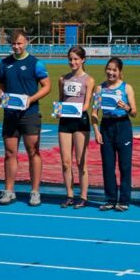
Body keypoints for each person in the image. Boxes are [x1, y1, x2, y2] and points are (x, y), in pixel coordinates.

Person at [0, 29, 51, 207]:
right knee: (9, 153)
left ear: (26, 42)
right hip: (10, 115)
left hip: (30, 114)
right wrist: (1, 98)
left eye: (19, 43)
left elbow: (46, 86)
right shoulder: (4, 63)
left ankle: (35, 192)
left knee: (33, 152)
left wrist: (31, 99)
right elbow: (2, 86)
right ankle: (9, 190)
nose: (16, 46)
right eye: (13, 43)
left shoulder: (36, 63)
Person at [95, 57, 136, 211]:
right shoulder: (100, 89)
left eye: (114, 70)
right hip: (106, 127)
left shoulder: (127, 88)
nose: (111, 72)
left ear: (120, 72)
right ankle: (110, 198)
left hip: (123, 125)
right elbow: (94, 112)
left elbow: (135, 112)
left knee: (124, 165)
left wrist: (126, 107)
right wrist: (96, 131)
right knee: (108, 165)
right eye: (109, 69)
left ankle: (124, 200)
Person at [57, 46, 94, 209]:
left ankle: (83, 196)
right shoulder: (62, 79)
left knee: (80, 161)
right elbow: (61, 100)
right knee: (66, 162)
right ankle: (69, 194)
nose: (73, 62)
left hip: (80, 122)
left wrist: (74, 110)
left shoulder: (88, 80)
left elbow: (86, 105)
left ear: (83, 60)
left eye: (76, 59)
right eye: (70, 59)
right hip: (65, 122)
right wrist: (59, 110)